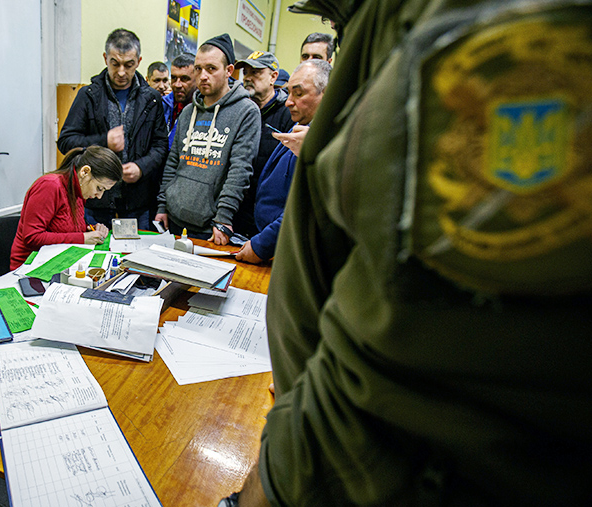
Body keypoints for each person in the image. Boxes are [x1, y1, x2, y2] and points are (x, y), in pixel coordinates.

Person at [222, 0, 592, 505]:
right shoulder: (373, 20)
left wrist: (285, 475)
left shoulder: (477, 20)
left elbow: (420, 361)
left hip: (357, 471)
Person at [57, 28, 169, 231]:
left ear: (139, 61)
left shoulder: (152, 99)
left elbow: (161, 146)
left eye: (129, 65)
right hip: (95, 201)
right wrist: (104, 141)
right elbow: (66, 142)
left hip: (137, 202)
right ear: (105, 58)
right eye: (115, 63)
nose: (121, 72)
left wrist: (141, 167)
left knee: (136, 251)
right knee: (94, 250)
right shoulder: (88, 95)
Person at [155, 34, 260, 245]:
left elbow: (240, 170)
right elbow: (173, 161)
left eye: (211, 69)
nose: (203, 76)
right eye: (198, 69)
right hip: (173, 219)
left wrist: (224, 217)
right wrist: (162, 205)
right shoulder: (188, 112)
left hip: (210, 226)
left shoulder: (246, 112)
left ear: (229, 71)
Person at [234, 59, 330, 264]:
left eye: (299, 93)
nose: (288, 102)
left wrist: (261, 246)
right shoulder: (300, 128)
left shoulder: (324, 142)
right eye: (289, 93)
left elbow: (301, 207)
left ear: (327, 94)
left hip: (290, 251)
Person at [10, 146, 123, 269]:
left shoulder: (78, 190)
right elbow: (32, 237)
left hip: (60, 260)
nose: (99, 196)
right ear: (85, 172)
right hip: (31, 266)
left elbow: (64, 226)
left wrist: (90, 230)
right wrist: (83, 238)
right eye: (99, 188)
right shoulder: (49, 186)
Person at [232, 51, 294, 237]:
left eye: (256, 72)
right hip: (237, 209)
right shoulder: (239, 109)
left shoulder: (288, 114)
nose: (248, 78)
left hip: (268, 215)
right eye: (246, 73)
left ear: (273, 77)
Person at [163, 52, 198, 148]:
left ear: (197, 79)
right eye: (174, 78)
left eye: (184, 79)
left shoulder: (204, 111)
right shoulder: (163, 105)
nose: (177, 85)